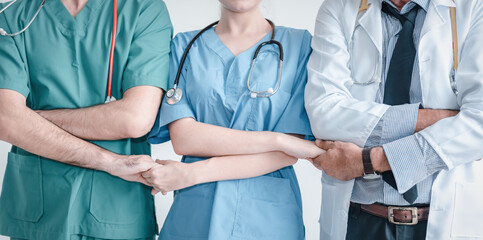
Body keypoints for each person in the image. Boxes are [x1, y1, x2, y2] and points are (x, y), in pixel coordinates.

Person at [142, 0, 323, 239]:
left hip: (267, 218)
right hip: (196, 215)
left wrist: (192, 173)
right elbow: (185, 138)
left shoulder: (299, 45)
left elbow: (290, 150)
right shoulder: (184, 46)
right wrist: (278, 139)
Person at [305, 0, 483, 239]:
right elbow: (323, 113)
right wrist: (433, 119)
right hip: (360, 220)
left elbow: (479, 124)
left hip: (444, 220)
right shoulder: (338, 8)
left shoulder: (473, 7)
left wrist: (370, 160)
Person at [0, 0, 172, 239]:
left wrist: (28, 121)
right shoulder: (11, 16)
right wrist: (109, 161)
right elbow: (6, 120)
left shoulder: (143, 9)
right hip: (40, 208)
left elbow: (135, 118)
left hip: (114, 208)